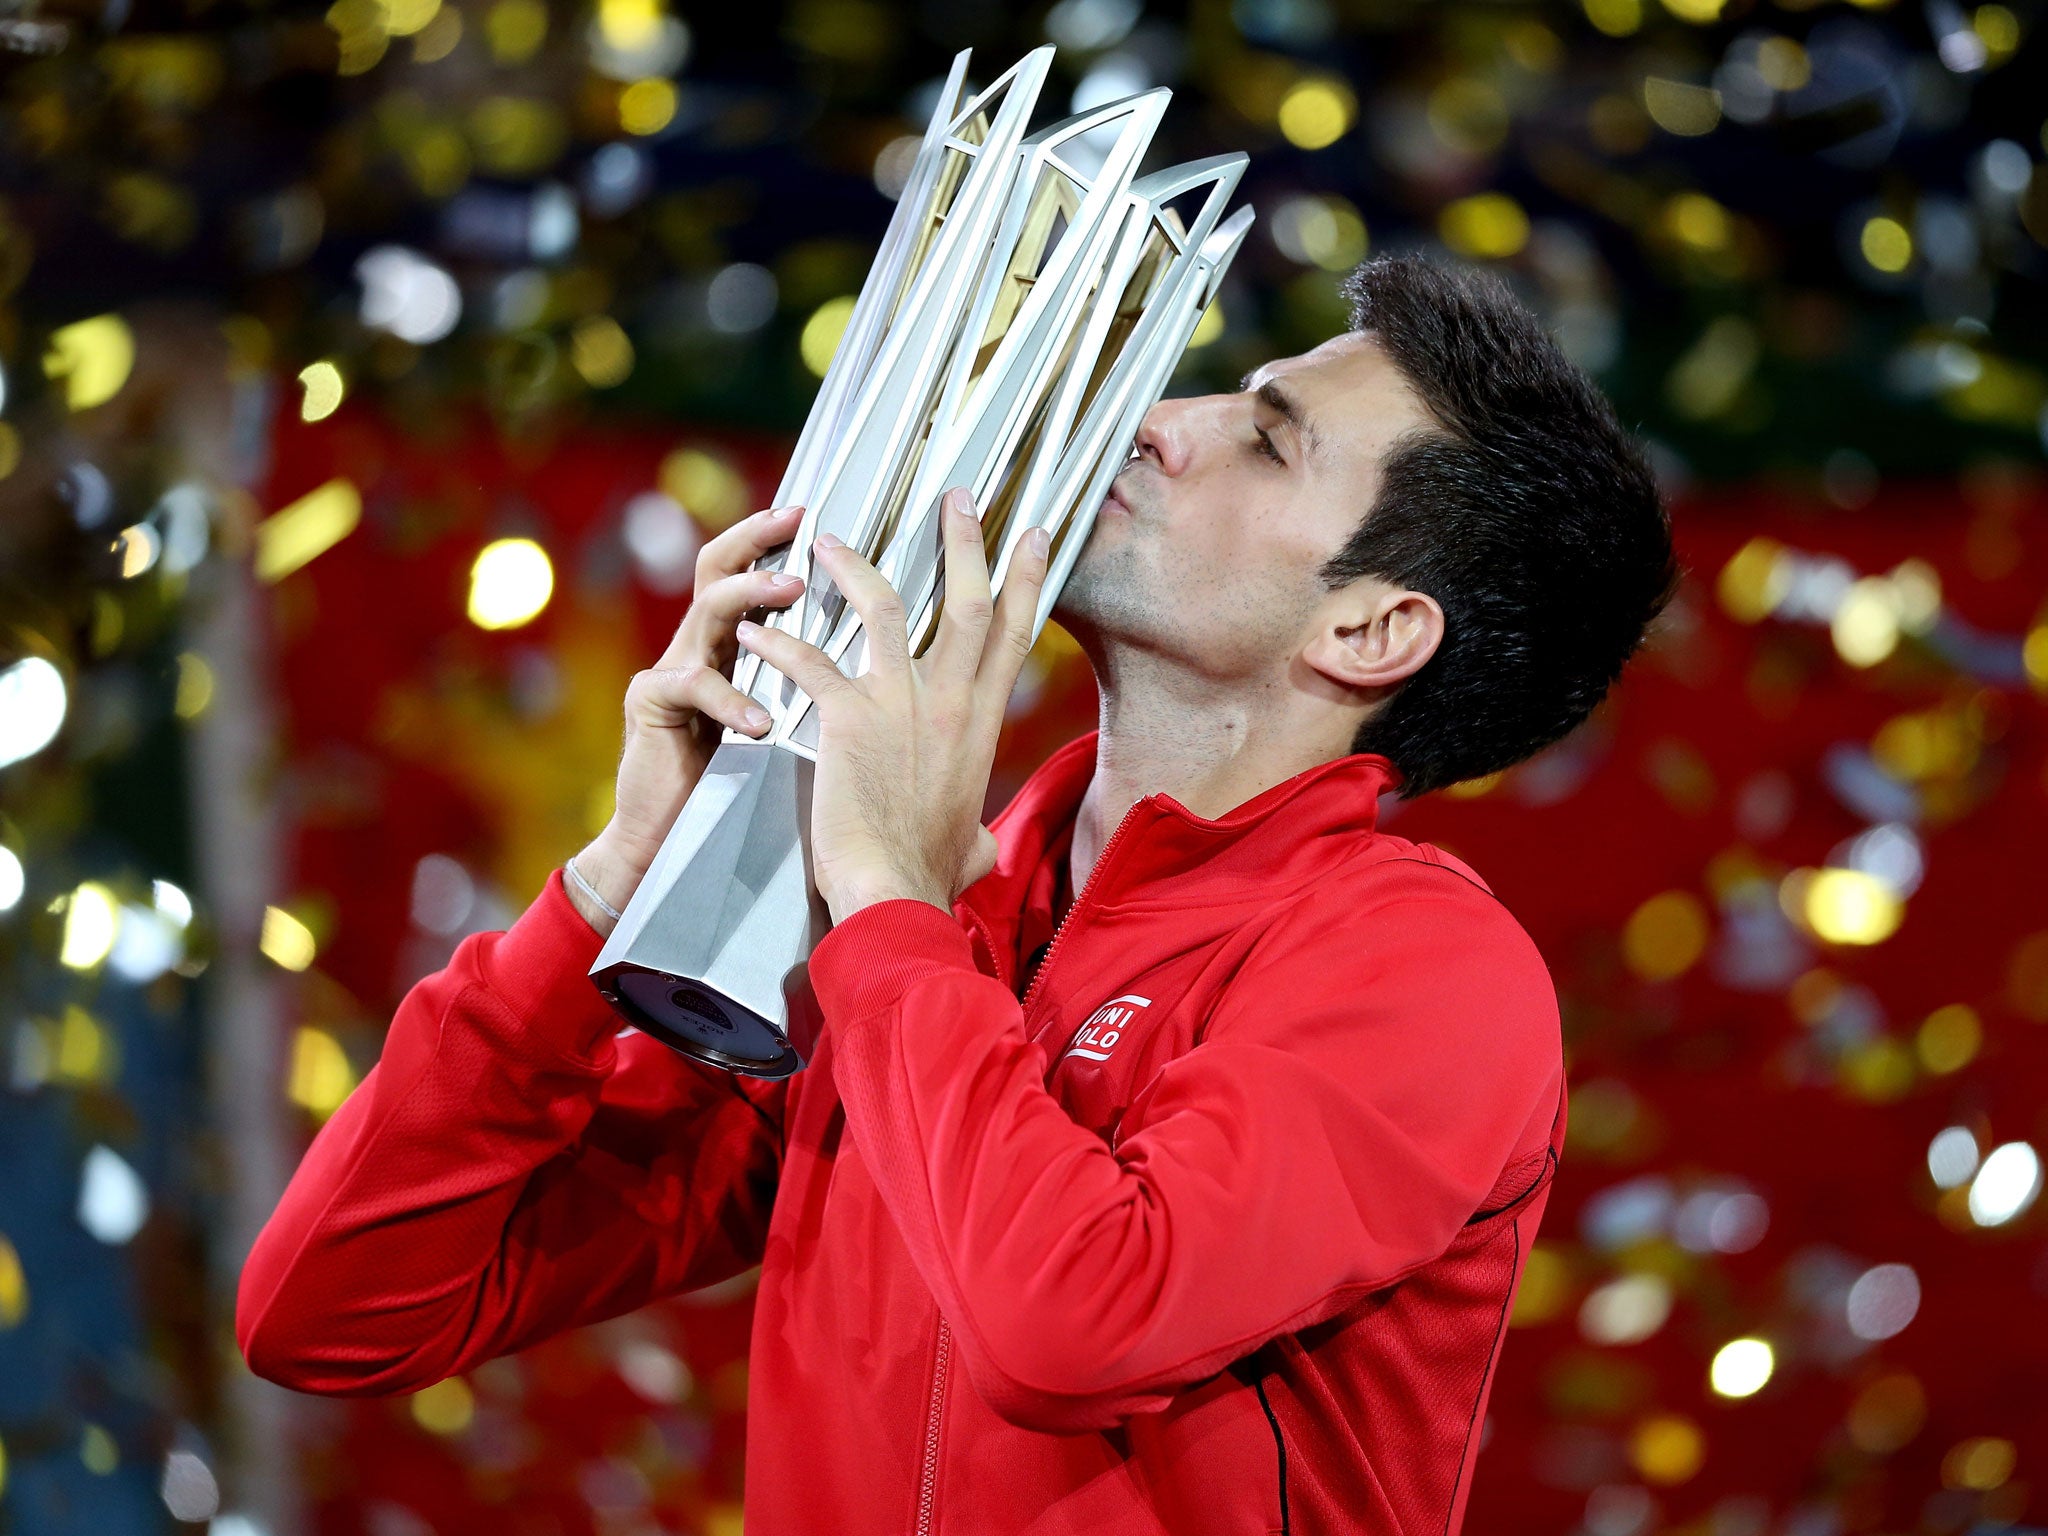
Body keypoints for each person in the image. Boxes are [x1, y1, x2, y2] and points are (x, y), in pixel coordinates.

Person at [238, 256, 1677, 1535]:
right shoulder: (947, 917)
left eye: (1266, 442)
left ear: (1371, 628)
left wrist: (887, 905)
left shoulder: (1421, 970)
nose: (1161, 422)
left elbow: (1073, 1323)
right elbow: (334, 1315)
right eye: (1220, 394)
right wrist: (608, 890)